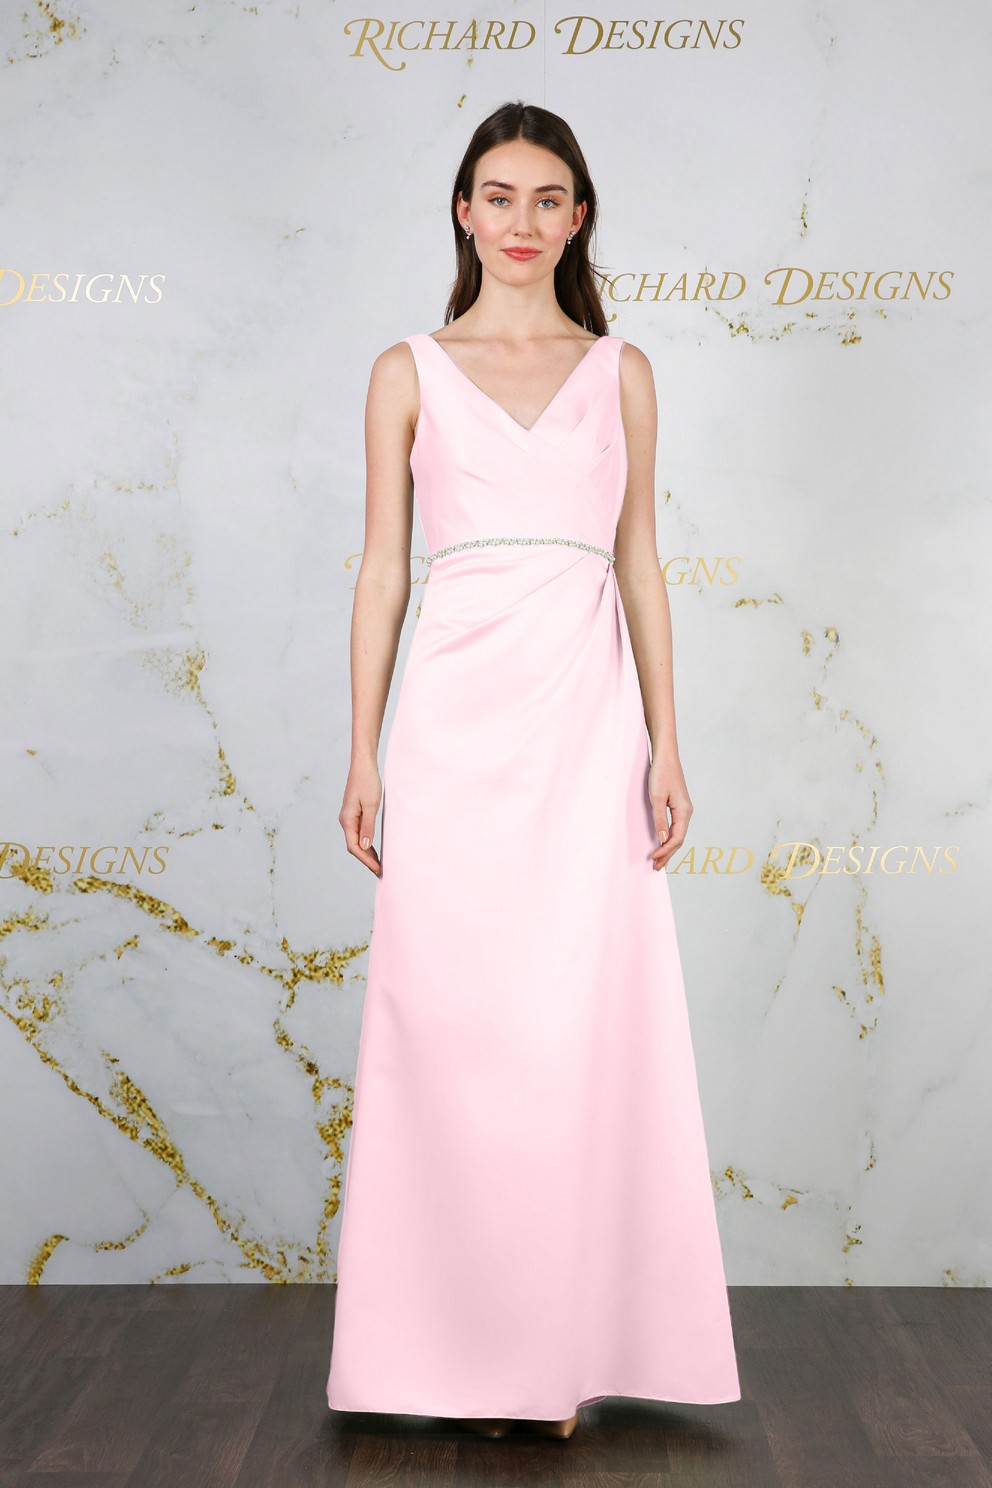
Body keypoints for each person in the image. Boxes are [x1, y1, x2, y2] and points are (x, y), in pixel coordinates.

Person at [326, 99, 741, 1441]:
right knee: (451, 1026)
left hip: (583, 722)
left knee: (574, 1026)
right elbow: (382, 571)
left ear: (578, 217)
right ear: (464, 212)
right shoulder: (406, 369)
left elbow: (641, 564)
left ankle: (555, 1357)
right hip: (453, 727)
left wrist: (668, 742)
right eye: (497, 196)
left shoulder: (623, 371)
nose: (520, 220)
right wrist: (362, 751)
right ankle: (455, 1355)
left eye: (546, 198)